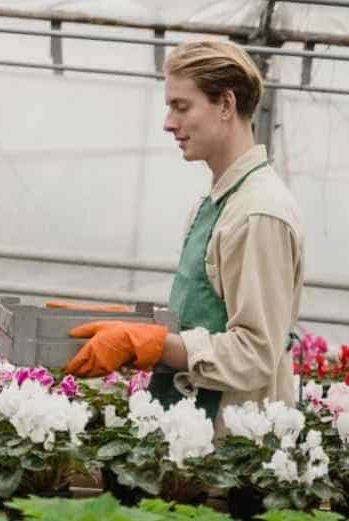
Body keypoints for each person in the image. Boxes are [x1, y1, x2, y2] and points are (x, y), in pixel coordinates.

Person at [64, 41, 304, 434]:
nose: (168, 123)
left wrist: (150, 343)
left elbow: (256, 353)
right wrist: (128, 323)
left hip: (229, 440)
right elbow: (204, 314)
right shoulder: (216, 202)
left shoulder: (259, 213)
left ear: (225, 104)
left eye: (181, 106)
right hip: (190, 425)